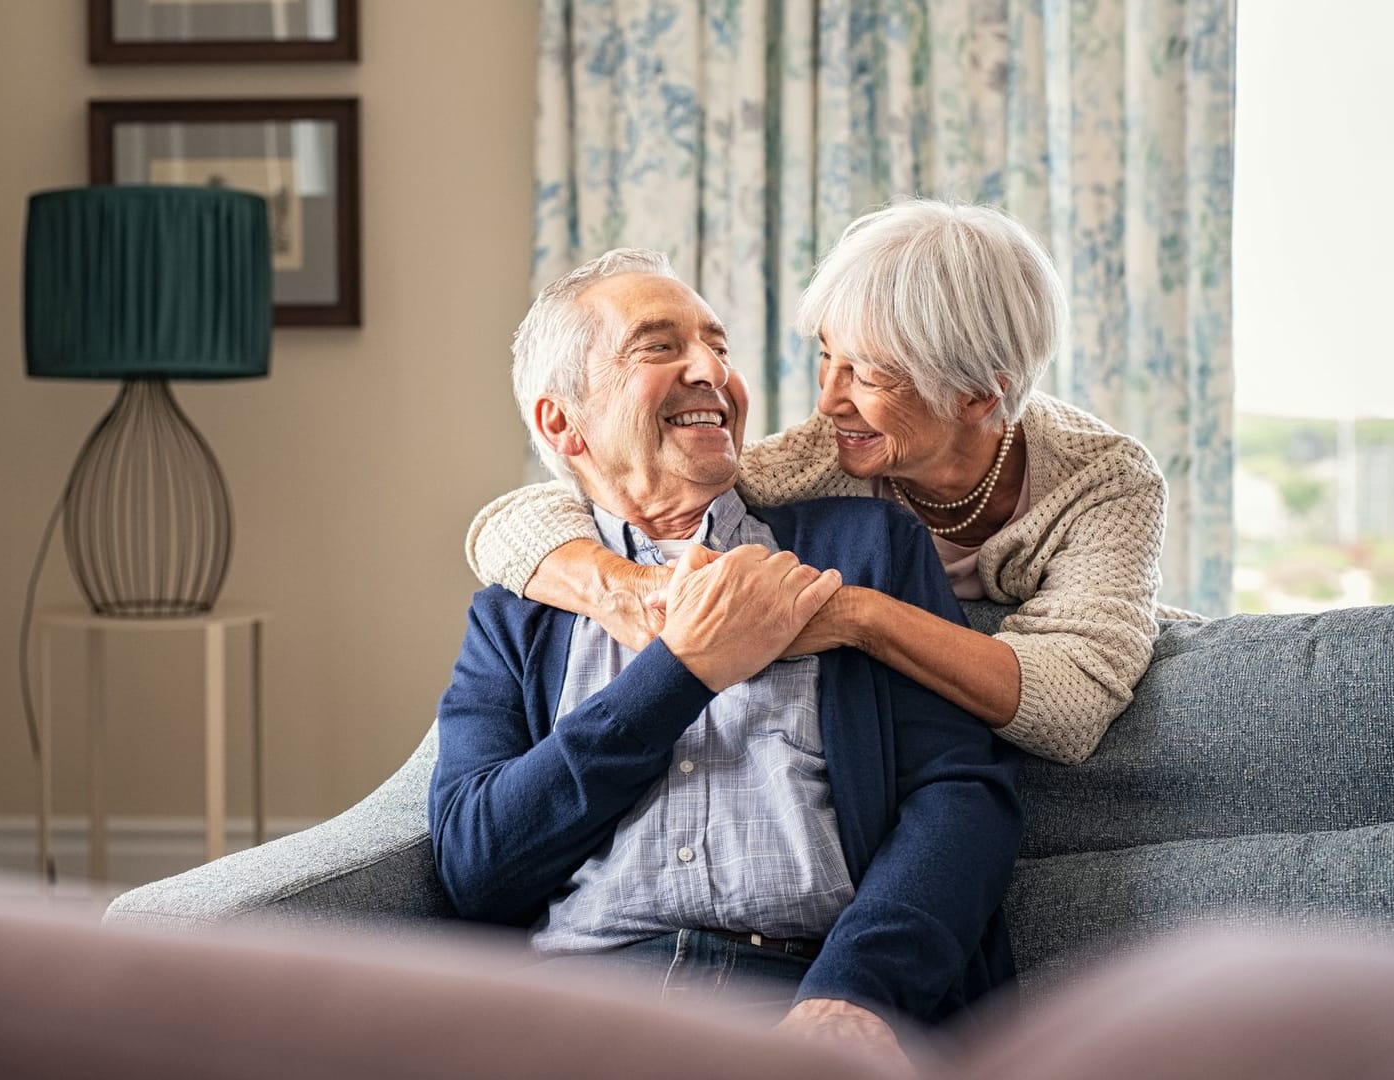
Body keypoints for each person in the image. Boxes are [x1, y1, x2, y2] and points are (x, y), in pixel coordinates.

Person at [429, 249, 1022, 1073]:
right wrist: (683, 671)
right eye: (658, 347)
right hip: (584, 1010)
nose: (712, 370)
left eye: (719, 346)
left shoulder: (862, 550)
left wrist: (856, 994)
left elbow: (963, 798)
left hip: (802, 993)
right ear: (563, 423)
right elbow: (475, 865)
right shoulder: (517, 611)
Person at [467, 200, 1171, 765]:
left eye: (866, 375)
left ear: (978, 396)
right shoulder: (817, 459)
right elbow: (518, 519)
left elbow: (1072, 706)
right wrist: (625, 588)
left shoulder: (1104, 482)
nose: (829, 401)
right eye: (827, 359)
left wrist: (857, 617)